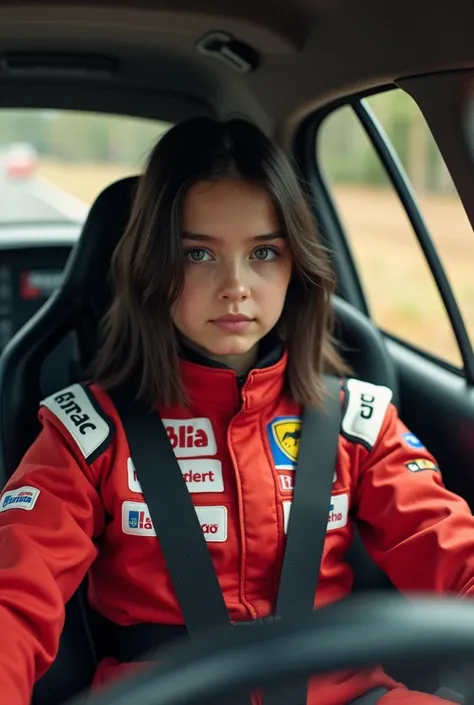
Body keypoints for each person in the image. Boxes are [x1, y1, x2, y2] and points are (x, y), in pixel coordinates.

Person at [0, 116, 473, 705]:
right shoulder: (86, 434)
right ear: (154, 266)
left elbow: (452, 552)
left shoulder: (359, 422)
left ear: (296, 263)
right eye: (198, 253)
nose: (235, 286)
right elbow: (14, 595)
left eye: (264, 252)